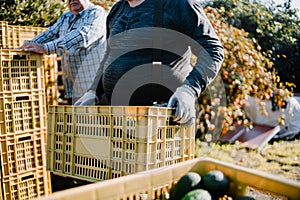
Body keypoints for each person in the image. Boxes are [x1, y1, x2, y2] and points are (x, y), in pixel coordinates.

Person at [75, 0, 224, 127]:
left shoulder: (177, 4)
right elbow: (109, 55)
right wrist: (93, 91)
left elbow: (212, 50)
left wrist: (189, 90)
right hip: (115, 119)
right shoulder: (117, 10)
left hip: (158, 122)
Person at [20, 0, 107, 104]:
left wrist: (45, 48)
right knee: (77, 118)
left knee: (92, 118)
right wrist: (27, 46)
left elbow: (82, 36)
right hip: (73, 88)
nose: (72, 1)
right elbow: (50, 34)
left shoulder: (96, 13)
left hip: (92, 88)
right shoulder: (66, 17)